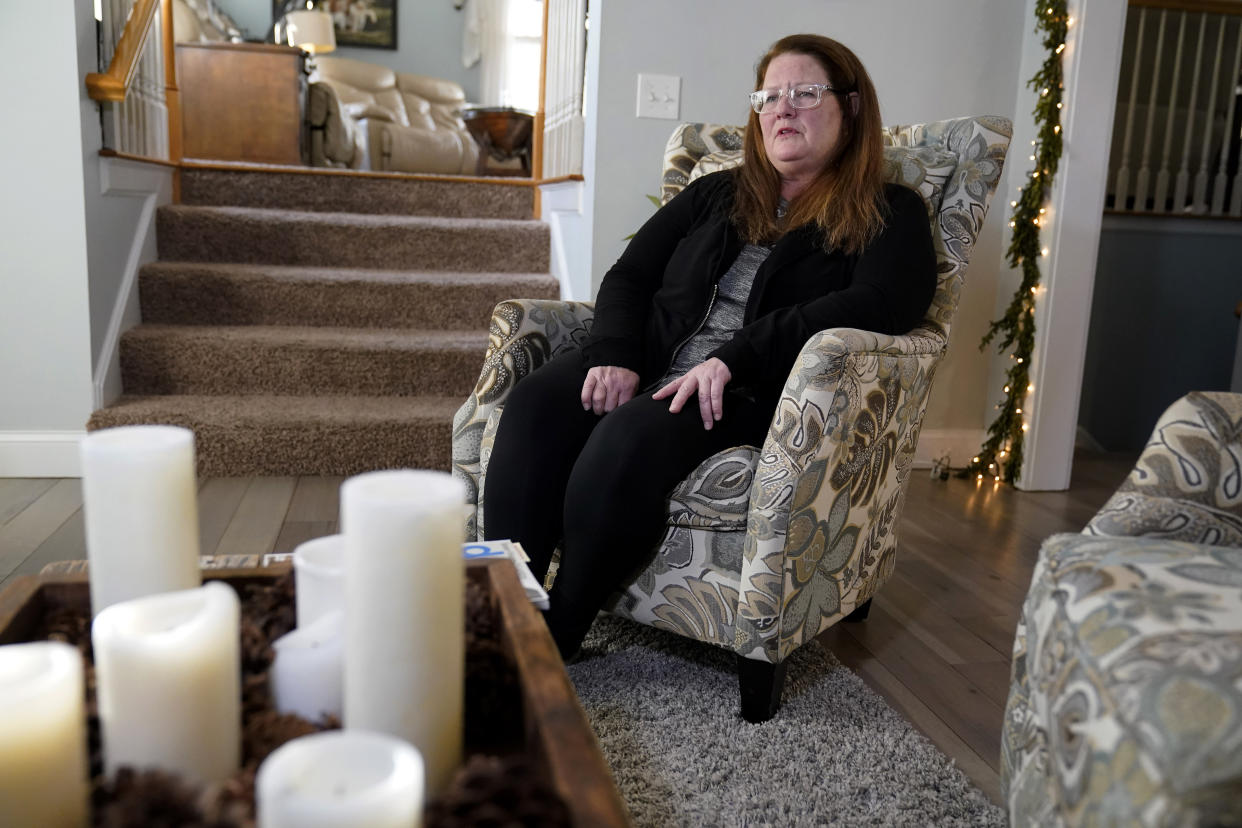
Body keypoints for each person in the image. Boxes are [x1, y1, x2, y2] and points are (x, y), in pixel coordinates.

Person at [483, 33, 936, 658]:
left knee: (631, 433)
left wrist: (735, 356)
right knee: (536, 403)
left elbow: (881, 304)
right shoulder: (717, 193)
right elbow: (630, 275)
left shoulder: (889, 210)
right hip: (650, 361)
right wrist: (614, 351)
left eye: (805, 93)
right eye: (770, 96)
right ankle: (502, 615)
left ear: (851, 107)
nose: (783, 109)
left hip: (749, 391)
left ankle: (551, 641)